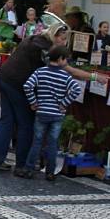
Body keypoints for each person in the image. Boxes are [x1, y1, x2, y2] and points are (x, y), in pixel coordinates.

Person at [0, 23, 96, 176]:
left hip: (5, 78)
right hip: (19, 84)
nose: (64, 42)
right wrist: (93, 77)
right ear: (54, 35)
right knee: (26, 125)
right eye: (62, 39)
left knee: (6, 120)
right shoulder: (45, 48)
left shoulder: (35, 38)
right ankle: (22, 165)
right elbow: (65, 69)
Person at [23, 46, 81, 181]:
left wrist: (33, 102)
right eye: (66, 59)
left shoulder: (40, 72)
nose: (67, 62)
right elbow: (76, 89)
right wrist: (64, 103)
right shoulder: (65, 75)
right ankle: (50, 172)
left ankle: (29, 169)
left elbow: (28, 85)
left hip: (41, 111)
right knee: (53, 143)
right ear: (60, 59)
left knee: (36, 141)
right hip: (57, 114)